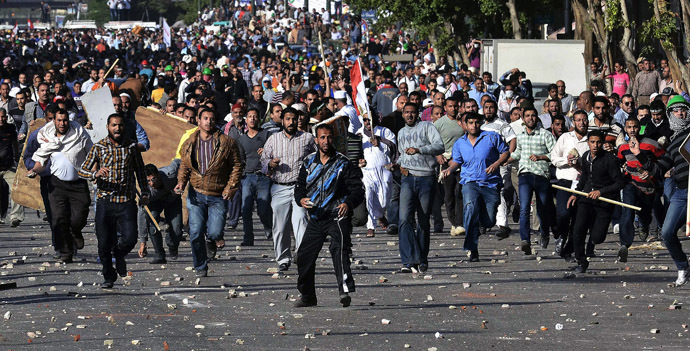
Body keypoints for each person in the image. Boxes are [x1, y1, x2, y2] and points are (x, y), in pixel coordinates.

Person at [293, 123, 365, 308]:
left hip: (337, 216)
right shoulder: (308, 162)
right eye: (322, 137)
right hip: (316, 217)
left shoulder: (343, 163)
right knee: (304, 256)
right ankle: (308, 296)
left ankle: (344, 291)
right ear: (316, 140)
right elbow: (300, 187)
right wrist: (301, 199)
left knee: (339, 250)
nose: (326, 141)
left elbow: (357, 189)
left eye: (329, 137)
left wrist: (347, 203)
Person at [78, 113, 150, 289]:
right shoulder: (99, 147)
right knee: (103, 242)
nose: (117, 128)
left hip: (126, 201)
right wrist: (96, 174)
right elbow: (82, 171)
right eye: (114, 125)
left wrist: (145, 191)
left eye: (120, 125)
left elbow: (140, 170)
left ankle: (119, 254)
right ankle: (108, 276)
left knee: (130, 238)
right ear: (108, 127)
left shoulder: (132, 147)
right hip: (105, 200)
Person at [175, 108, 243, 278]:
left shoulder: (227, 142)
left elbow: (237, 165)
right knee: (196, 231)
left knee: (214, 232)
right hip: (196, 193)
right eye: (205, 118)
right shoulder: (190, 142)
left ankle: (211, 241)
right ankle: (200, 266)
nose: (208, 122)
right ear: (199, 121)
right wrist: (181, 182)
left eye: (212, 119)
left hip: (218, 194)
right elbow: (184, 164)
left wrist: (231, 187)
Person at [441, 112, 509, 261]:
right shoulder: (460, 143)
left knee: (490, 220)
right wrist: (449, 169)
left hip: (490, 183)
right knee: (470, 208)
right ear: (465, 125)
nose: (474, 126)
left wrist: (496, 163)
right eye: (470, 123)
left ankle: (479, 227)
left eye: (476, 122)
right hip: (470, 182)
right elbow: (457, 161)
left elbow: (506, 151)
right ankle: (472, 249)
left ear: (481, 123)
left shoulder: (492, 137)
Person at [30, 109, 92, 263]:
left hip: (78, 183)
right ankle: (65, 252)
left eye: (65, 120)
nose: (62, 123)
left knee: (79, 216)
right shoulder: (47, 137)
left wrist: (95, 172)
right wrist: (34, 171)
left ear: (68, 121)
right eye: (59, 120)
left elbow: (92, 154)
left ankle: (75, 231)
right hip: (56, 185)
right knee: (58, 218)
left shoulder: (79, 134)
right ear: (54, 122)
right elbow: (40, 160)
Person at [260, 107, 316, 271]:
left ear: (298, 120)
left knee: (301, 222)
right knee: (280, 225)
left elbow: (318, 157)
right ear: (282, 120)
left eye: (294, 119)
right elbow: (263, 160)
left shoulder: (307, 138)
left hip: (301, 188)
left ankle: (302, 255)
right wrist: (270, 164)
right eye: (287, 119)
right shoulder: (273, 139)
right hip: (279, 188)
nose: (291, 122)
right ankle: (283, 258)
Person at [646, 95, 690, 286]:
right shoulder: (672, 143)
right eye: (677, 110)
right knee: (667, 232)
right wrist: (641, 162)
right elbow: (658, 168)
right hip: (681, 192)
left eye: (684, 109)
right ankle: (683, 267)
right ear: (670, 115)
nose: (681, 113)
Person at [396, 103, 444, 273]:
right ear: (402, 114)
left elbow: (439, 146)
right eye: (406, 112)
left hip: (426, 179)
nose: (409, 115)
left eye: (412, 112)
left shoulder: (426, 127)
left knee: (423, 221)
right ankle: (409, 260)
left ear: (418, 114)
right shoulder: (401, 133)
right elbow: (402, 156)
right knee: (404, 219)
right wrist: (394, 164)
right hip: (408, 178)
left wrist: (419, 149)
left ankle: (422, 259)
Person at [567, 130, 625, 273]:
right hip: (586, 198)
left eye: (598, 142)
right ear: (588, 142)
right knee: (578, 229)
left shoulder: (609, 159)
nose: (595, 145)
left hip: (604, 202)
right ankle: (581, 261)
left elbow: (619, 183)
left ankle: (594, 237)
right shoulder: (586, 156)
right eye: (592, 142)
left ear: (603, 142)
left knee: (597, 237)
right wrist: (576, 193)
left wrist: (600, 192)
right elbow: (584, 177)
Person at [508, 107, 556, 254]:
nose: (530, 118)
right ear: (523, 119)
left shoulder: (545, 135)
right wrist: (502, 161)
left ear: (537, 118)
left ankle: (544, 232)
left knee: (542, 208)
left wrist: (541, 157)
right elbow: (517, 154)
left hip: (541, 175)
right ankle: (525, 240)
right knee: (524, 208)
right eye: (527, 116)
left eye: (533, 116)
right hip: (524, 175)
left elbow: (554, 153)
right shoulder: (520, 136)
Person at [617, 117, 665, 262]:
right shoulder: (623, 147)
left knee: (644, 213)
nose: (632, 130)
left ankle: (644, 224)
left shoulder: (651, 144)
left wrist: (651, 172)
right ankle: (625, 244)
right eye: (629, 127)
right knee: (628, 210)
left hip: (648, 186)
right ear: (625, 129)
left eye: (635, 127)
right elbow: (620, 161)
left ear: (640, 128)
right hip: (630, 184)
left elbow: (663, 161)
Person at [549, 110, 590, 260]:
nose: (582, 123)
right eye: (578, 120)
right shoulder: (566, 137)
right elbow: (554, 158)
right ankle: (560, 234)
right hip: (565, 182)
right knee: (564, 213)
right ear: (573, 122)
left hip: (583, 184)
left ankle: (569, 250)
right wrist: (567, 161)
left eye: (584, 120)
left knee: (578, 220)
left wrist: (581, 166)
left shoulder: (590, 140)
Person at [481, 99, 517, 239]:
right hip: (483, 165)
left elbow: (512, 139)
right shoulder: (481, 126)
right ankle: (484, 222)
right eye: (486, 108)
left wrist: (507, 158)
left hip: (498, 164)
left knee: (498, 192)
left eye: (491, 108)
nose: (488, 110)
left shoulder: (502, 125)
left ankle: (503, 225)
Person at [237, 108, 273, 246]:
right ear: (246, 120)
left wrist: (267, 151)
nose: (252, 119)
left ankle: (269, 226)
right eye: (249, 116)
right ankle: (248, 238)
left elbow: (275, 152)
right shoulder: (242, 139)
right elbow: (240, 159)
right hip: (248, 177)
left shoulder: (266, 135)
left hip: (264, 177)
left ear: (259, 119)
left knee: (263, 208)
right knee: (246, 209)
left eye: (255, 116)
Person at [137, 163, 183, 264]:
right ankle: (159, 254)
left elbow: (181, 162)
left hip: (173, 200)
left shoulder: (170, 173)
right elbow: (141, 215)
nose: (152, 184)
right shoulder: (146, 191)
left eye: (153, 179)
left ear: (158, 175)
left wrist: (181, 182)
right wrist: (143, 242)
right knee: (152, 221)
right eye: (148, 181)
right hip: (155, 202)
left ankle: (172, 244)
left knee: (177, 230)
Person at [361, 111, 396, 237]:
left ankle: (380, 215)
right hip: (367, 171)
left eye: (369, 119)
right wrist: (360, 161)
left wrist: (379, 143)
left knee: (383, 201)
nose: (367, 123)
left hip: (384, 170)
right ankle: (371, 226)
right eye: (365, 120)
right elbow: (356, 151)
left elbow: (393, 147)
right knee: (368, 196)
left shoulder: (384, 132)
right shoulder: (360, 134)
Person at [434, 97, 465, 236]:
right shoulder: (439, 124)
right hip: (446, 162)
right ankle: (453, 221)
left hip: (462, 161)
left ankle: (460, 223)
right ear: (445, 108)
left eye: (455, 106)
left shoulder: (463, 122)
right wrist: (438, 155)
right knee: (448, 194)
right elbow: (432, 142)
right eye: (450, 106)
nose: (453, 109)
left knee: (460, 192)